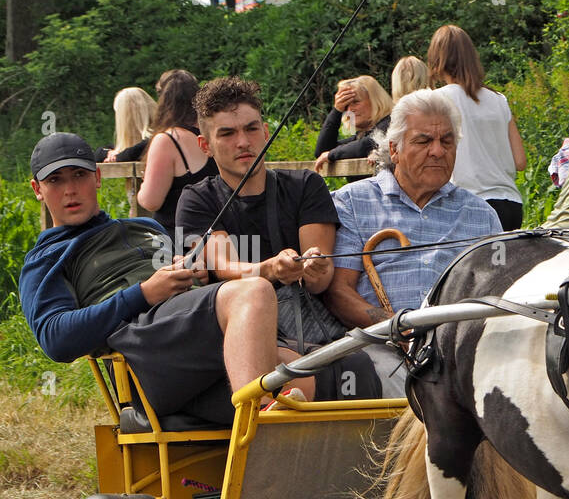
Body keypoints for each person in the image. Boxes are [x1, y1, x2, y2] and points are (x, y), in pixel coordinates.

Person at [19, 132, 310, 424]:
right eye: (55, 180)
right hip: (142, 359)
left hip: (193, 351)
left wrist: (197, 276)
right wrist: (143, 294)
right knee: (253, 290)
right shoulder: (46, 258)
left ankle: (259, 450)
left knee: (309, 373)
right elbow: (56, 339)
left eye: (79, 175)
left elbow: (192, 292)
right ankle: (257, 419)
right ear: (37, 189)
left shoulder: (145, 226)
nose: (70, 189)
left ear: (97, 177)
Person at [178, 77, 380, 400]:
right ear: (206, 145)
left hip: (311, 332)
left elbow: (321, 279)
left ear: (266, 130)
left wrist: (313, 267)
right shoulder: (196, 200)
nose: (243, 142)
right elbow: (224, 264)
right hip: (236, 335)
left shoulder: (305, 186)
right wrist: (271, 269)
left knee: (357, 364)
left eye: (251, 128)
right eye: (227, 133)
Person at [325, 89, 500, 392]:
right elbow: (338, 292)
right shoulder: (353, 202)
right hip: (381, 347)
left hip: (462, 353)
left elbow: (499, 296)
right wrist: (397, 326)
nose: (437, 151)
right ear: (394, 149)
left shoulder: (481, 215)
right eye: (423, 141)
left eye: (447, 141)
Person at [426, 24, 526, 230]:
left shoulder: (437, 100)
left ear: (438, 59)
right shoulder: (499, 99)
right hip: (511, 205)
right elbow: (520, 161)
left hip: (469, 205)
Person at [136, 69, 217, 234]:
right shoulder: (213, 132)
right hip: (216, 234)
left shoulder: (168, 140)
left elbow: (151, 201)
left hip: (176, 239)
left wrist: (144, 183)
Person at [313, 75, 393, 174]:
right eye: (346, 106)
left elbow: (368, 144)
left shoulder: (391, 123)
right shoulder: (360, 136)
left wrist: (331, 155)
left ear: (375, 100)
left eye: (355, 102)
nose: (350, 110)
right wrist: (337, 110)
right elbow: (322, 151)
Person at [96, 87, 155, 164]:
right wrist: (109, 153)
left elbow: (134, 152)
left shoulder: (154, 139)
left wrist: (117, 157)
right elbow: (97, 154)